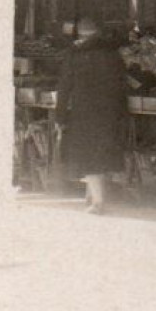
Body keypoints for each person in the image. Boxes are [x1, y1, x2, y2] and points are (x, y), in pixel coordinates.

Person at [55, 18, 129, 213]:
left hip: (84, 111)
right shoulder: (113, 54)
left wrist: (60, 116)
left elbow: (64, 88)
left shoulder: (74, 54)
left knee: (89, 155)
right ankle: (91, 195)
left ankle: (98, 202)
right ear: (98, 33)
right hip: (110, 110)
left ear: (80, 34)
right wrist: (122, 112)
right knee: (102, 153)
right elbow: (123, 84)